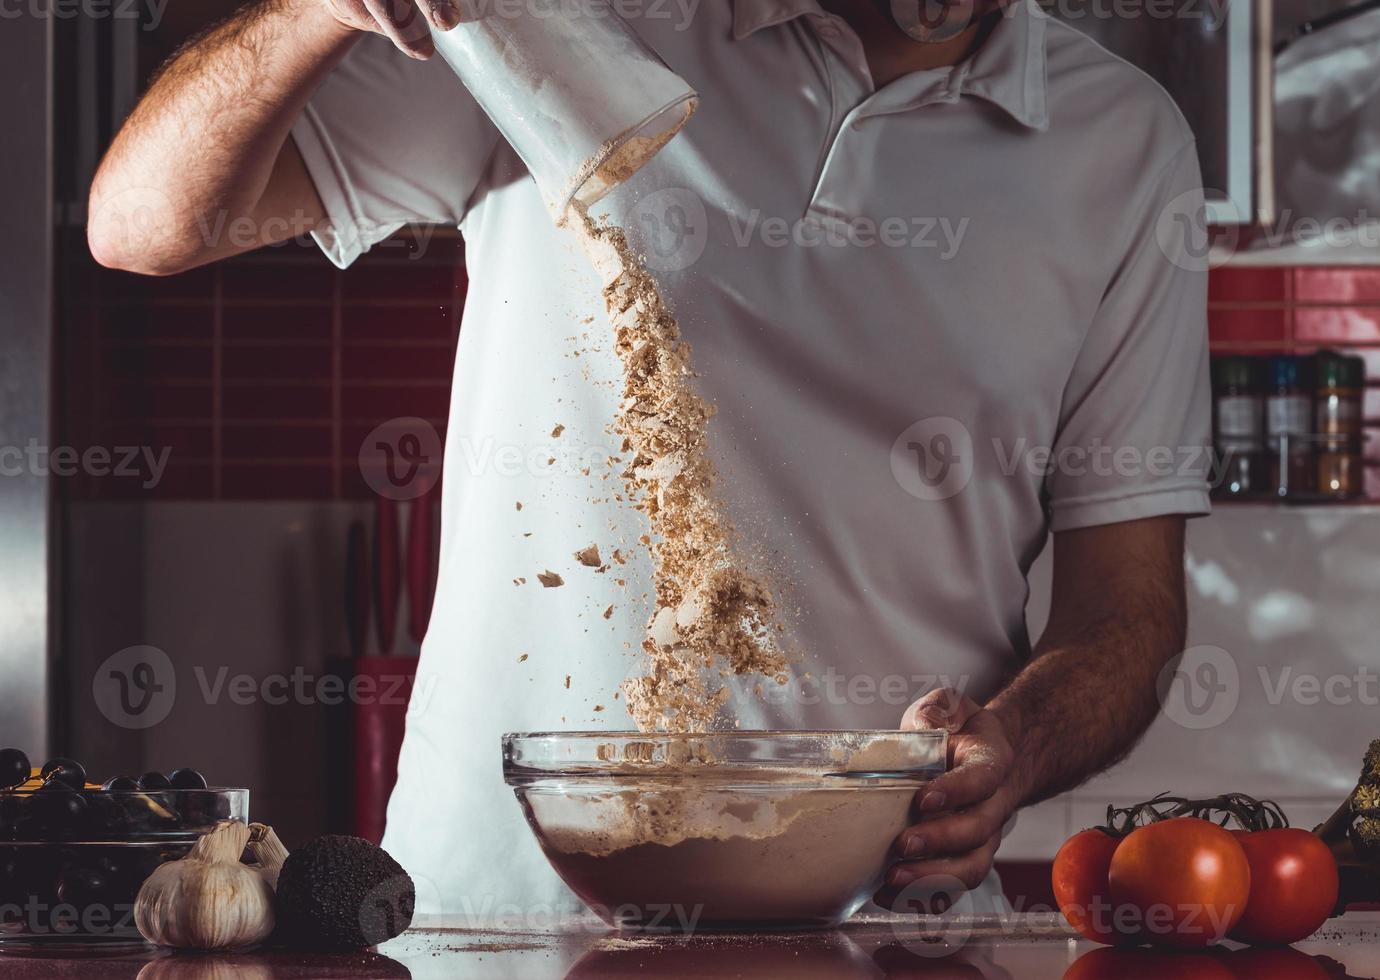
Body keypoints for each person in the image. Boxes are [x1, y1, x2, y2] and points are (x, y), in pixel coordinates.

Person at [89, 0, 1212, 921]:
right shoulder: (560, 33)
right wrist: (310, 13)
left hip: (876, 915)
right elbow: (142, 224)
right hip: (504, 907)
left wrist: (1012, 746)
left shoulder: (1119, 140)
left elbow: (1128, 609)